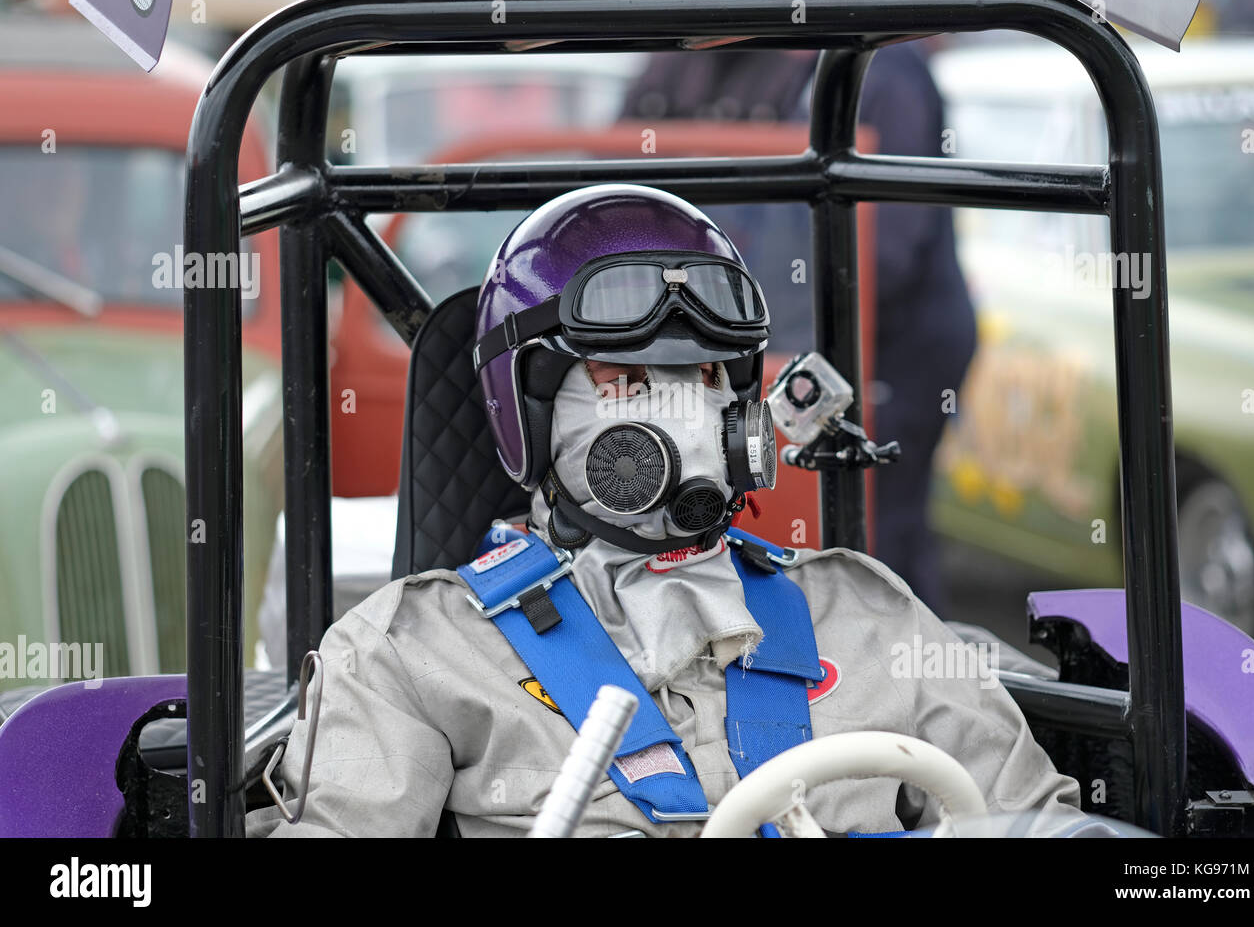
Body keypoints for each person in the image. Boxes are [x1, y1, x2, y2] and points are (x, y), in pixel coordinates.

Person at [250, 185, 1079, 838]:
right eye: (627, 379)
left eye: (707, 374)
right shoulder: (415, 652)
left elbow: (1043, 824)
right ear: (528, 407)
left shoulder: (865, 614)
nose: (684, 412)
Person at [622, 41, 975, 616]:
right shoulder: (688, 54)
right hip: (761, 348)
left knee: (872, 538)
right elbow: (624, 191)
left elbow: (881, 248)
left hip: (883, 352)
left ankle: (898, 666)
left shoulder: (879, 68)